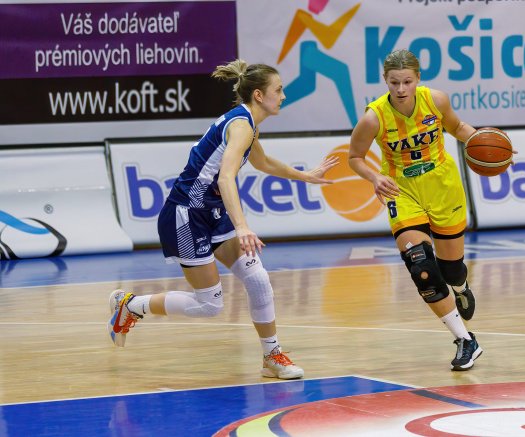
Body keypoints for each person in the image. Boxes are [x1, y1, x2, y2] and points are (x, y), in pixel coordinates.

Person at [107, 59, 338, 380]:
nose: (283, 96)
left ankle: (271, 356)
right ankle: (131, 305)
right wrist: (242, 226)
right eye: (279, 90)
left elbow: (263, 162)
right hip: (186, 214)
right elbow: (227, 178)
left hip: (212, 211)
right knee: (210, 304)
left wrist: (305, 176)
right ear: (259, 95)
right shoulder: (241, 125)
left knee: (259, 280)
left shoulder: (249, 125)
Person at [348, 49, 482, 371]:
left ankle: (461, 288)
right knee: (421, 267)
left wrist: (487, 141)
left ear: (418, 79)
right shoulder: (373, 117)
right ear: (386, 81)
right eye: (394, 82)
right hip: (402, 191)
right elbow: (354, 156)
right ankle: (466, 340)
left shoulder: (435, 100)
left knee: (452, 270)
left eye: (407, 81)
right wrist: (374, 176)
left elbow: (458, 127)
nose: (401, 89)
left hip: (443, 186)